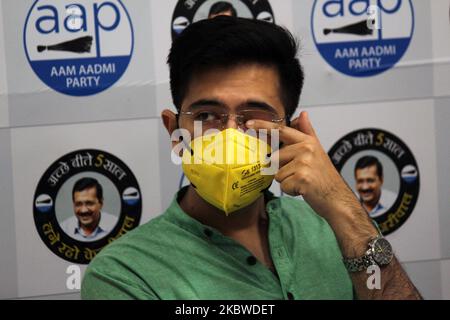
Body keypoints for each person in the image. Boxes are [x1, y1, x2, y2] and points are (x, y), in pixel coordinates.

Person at [81, 17, 421, 300]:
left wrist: (343, 208)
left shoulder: (338, 228)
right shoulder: (123, 274)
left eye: (254, 116)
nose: (231, 135)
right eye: (207, 115)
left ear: (291, 130)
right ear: (175, 132)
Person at [60, 177, 117, 242]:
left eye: (89, 203)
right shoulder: (63, 229)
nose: (83, 210)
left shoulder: (116, 227)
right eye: (78, 204)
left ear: (101, 203)